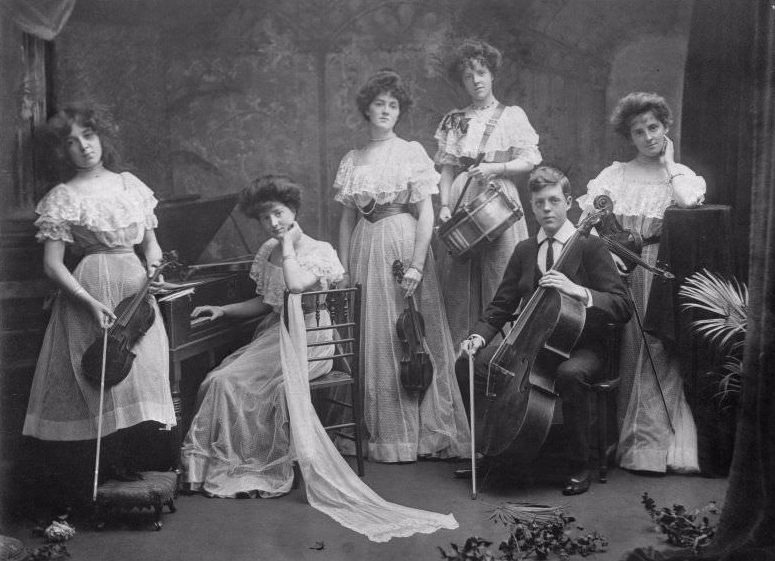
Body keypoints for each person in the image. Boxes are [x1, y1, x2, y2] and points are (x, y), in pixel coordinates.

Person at [23, 103, 177, 493]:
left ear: (101, 137)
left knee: (137, 373)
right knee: (97, 377)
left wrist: (155, 273)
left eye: (88, 136)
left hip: (135, 289)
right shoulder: (63, 196)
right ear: (63, 152)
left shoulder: (130, 185)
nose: (83, 147)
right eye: (72, 143)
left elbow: (152, 244)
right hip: (89, 289)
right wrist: (87, 301)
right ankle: (99, 475)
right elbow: (53, 264)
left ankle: (131, 469)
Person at [458, 165, 631, 495]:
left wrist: (579, 291)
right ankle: (491, 448)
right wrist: (477, 336)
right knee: (472, 363)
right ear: (531, 206)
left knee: (569, 374)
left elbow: (621, 305)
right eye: (539, 203)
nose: (547, 209)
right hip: (529, 344)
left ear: (568, 202)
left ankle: (580, 465)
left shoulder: (589, 246)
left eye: (553, 201)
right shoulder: (525, 250)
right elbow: (501, 305)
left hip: (582, 346)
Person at [334, 69, 470, 463]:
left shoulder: (410, 151)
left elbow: (425, 213)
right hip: (364, 245)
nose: (386, 111)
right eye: (379, 104)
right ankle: (381, 434)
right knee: (372, 334)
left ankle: (417, 433)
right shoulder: (353, 159)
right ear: (367, 108)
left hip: (400, 242)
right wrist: (344, 267)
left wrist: (415, 265)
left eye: (393, 105)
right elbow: (345, 219)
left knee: (407, 335)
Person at [181, 174, 344, 498]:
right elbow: (267, 302)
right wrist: (223, 309)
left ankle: (257, 465)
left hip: (311, 340)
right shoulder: (267, 249)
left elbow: (296, 285)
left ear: (293, 209)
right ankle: (210, 469)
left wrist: (286, 247)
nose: (272, 222)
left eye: (278, 213)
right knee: (219, 380)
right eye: (264, 217)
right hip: (277, 335)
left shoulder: (320, 251)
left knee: (239, 384)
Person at [578, 92, 705, 474]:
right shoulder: (613, 176)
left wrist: (668, 163)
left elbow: (685, 201)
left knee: (659, 353)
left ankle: (655, 449)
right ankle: (624, 441)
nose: (648, 136)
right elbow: (591, 226)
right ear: (629, 136)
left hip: (660, 272)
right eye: (639, 131)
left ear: (666, 128)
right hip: (617, 273)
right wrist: (609, 255)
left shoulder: (679, 175)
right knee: (628, 353)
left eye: (654, 128)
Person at [435, 38, 542, 346]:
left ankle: (500, 352)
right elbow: (446, 167)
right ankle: (460, 356)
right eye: (468, 76)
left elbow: (531, 158)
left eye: (481, 73)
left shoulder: (512, 115)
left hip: (499, 198)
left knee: (502, 271)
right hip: (462, 193)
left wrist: (497, 169)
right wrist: (444, 205)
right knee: (458, 278)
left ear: (492, 74)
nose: (476, 81)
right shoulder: (455, 119)